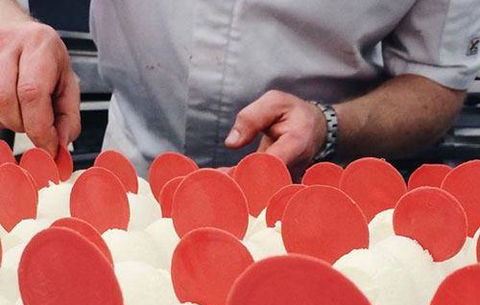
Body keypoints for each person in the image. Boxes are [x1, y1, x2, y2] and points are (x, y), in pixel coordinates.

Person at [0, 0, 479, 177]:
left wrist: (329, 124)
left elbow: (436, 81)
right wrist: (12, 27)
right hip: (132, 182)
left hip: (311, 200)